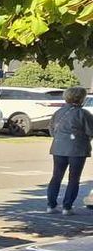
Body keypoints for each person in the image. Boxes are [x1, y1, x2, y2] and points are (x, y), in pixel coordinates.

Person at [46, 86, 93, 215]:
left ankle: (51, 205)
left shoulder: (58, 112)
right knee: (74, 178)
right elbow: (90, 131)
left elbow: (52, 130)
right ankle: (67, 207)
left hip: (58, 147)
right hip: (77, 149)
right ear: (81, 98)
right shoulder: (83, 114)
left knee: (56, 176)